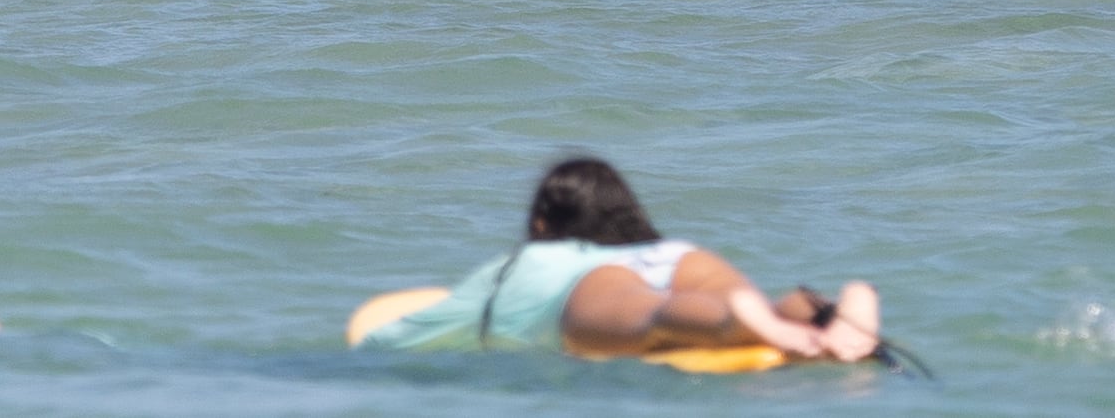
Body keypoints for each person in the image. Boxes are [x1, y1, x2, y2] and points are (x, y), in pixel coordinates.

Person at [353, 156, 882, 363]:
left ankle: (732, 319)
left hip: (582, 288)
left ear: (542, 224)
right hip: (678, 261)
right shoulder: (660, 250)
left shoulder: (532, 265)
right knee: (740, 303)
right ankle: (814, 311)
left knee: (651, 316)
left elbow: (395, 336)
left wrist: (372, 347)